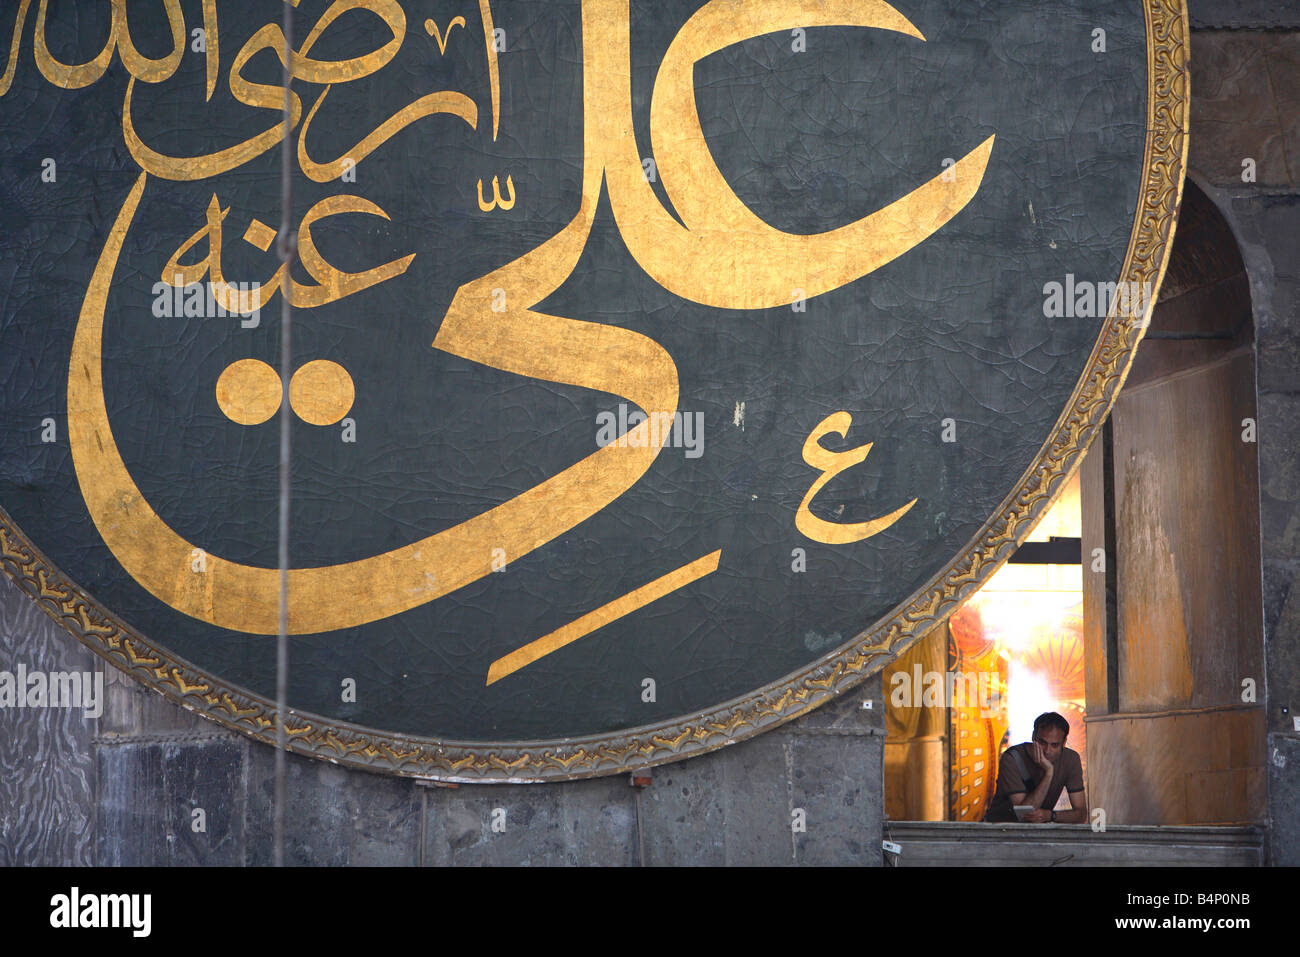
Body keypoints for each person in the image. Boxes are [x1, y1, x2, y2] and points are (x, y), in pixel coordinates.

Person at [983, 712, 1086, 823]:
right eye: (1042, 743)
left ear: (1064, 743)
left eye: (1054, 745)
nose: (1047, 750)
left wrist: (1051, 816)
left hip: (1038, 832)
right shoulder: (1011, 759)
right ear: (1033, 737)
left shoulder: (1071, 759)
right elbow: (1025, 816)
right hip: (1000, 829)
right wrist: (1049, 773)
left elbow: (1081, 815)